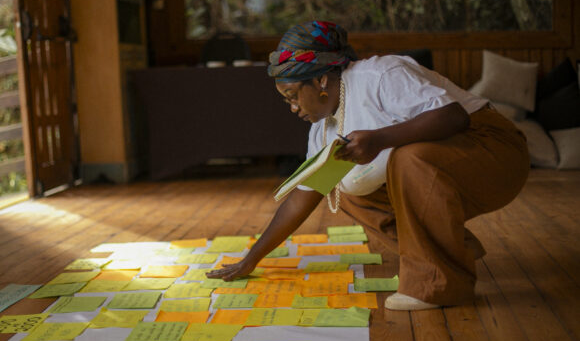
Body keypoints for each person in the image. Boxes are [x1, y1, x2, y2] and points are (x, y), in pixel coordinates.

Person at [205, 21, 529, 310]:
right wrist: (252, 258)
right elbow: (302, 199)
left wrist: (378, 139)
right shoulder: (322, 131)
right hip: (452, 167)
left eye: (292, 96)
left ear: (319, 80)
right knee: (345, 187)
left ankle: (441, 285)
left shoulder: (380, 74)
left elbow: (454, 117)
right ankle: (451, 250)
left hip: (496, 153)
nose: (292, 108)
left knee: (407, 158)